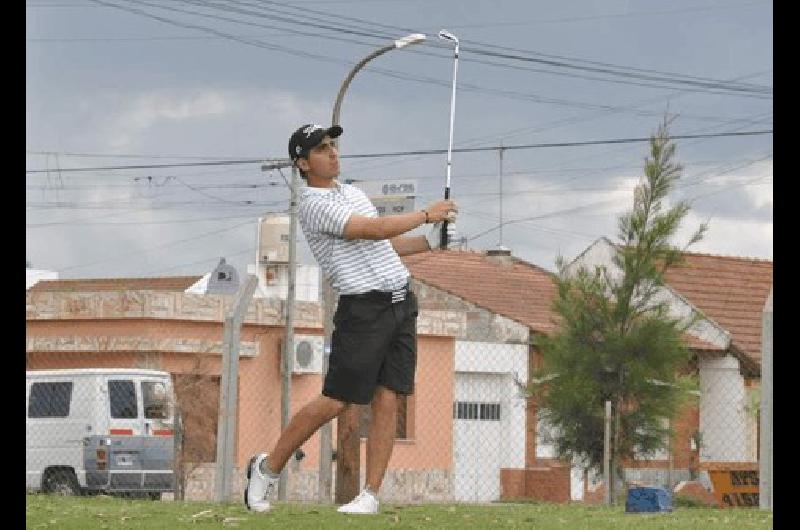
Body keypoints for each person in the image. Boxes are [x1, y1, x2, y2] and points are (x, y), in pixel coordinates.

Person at [244, 124, 458, 515]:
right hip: (363, 310)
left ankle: (370, 496)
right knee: (336, 401)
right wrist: (426, 213)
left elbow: (384, 242)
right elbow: (370, 229)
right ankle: (268, 467)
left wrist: (431, 239)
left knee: (389, 397)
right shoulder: (313, 203)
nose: (333, 153)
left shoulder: (353, 192)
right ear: (303, 164)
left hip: (400, 303)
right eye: (322, 150)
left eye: (333, 146)